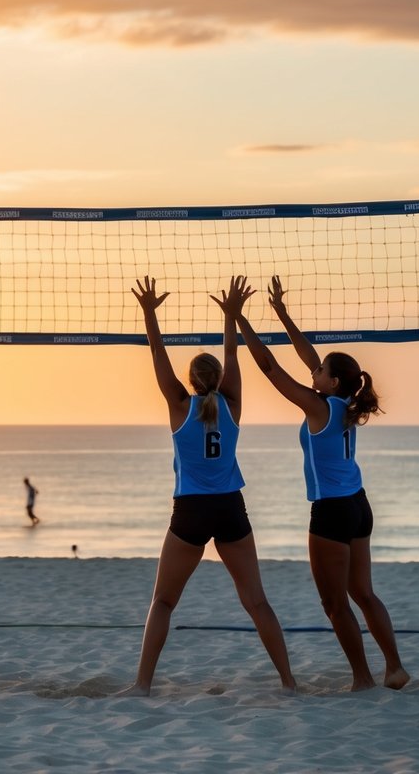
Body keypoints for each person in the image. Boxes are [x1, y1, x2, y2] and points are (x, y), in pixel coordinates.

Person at [220, 275, 409, 692]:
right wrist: (282, 313)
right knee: (365, 594)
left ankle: (362, 678)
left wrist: (239, 320)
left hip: (332, 512)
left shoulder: (317, 405)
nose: (314, 372)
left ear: (333, 382)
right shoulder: (343, 402)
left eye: (320, 371)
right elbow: (310, 356)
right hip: (359, 506)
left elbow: (270, 369)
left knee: (334, 602)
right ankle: (394, 667)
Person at [117, 276, 296, 697]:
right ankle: (289, 683)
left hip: (191, 512)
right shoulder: (232, 405)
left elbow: (157, 353)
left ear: (192, 381)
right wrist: (230, 315)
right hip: (231, 508)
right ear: (217, 379)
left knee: (163, 602)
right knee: (257, 602)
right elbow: (232, 352)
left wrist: (149, 312)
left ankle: (142, 684)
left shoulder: (179, 406)